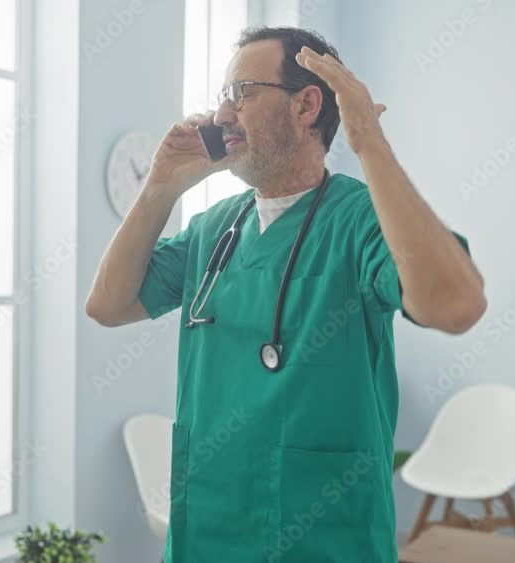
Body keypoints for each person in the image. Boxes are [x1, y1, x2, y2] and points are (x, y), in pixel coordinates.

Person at [86, 26, 487, 563]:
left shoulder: (363, 221)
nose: (223, 116)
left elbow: (456, 306)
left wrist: (369, 142)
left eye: (242, 94)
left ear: (306, 106)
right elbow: (108, 305)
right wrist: (160, 185)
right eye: (222, 99)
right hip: (208, 528)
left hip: (322, 537)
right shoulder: (214, 229)